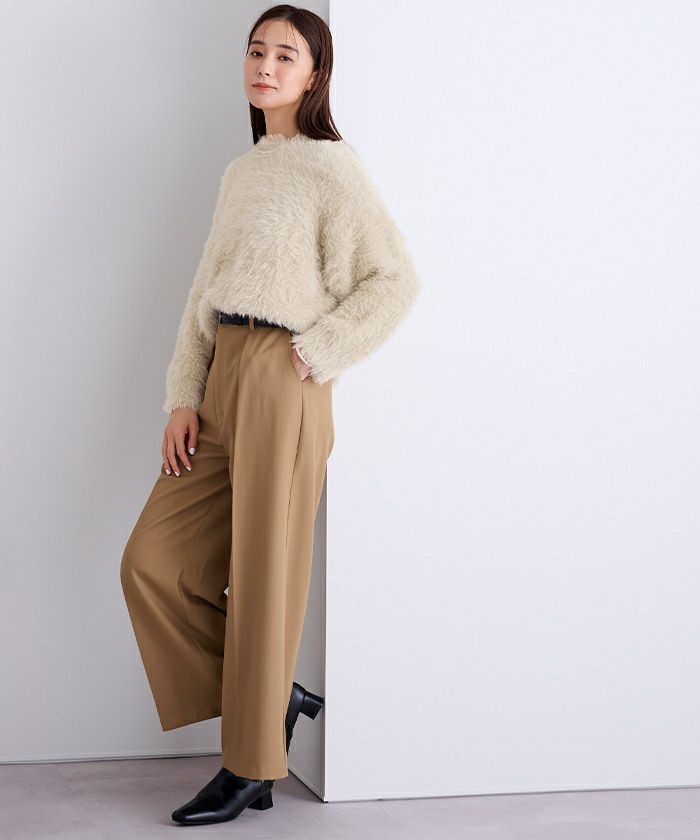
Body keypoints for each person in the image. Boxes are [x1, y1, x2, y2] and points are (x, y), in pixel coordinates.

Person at [120, 3, 421, 827]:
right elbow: (203, 291)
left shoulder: (332, 167)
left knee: (263, 576)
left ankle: (250, 767)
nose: (265, 66)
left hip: (288, 375)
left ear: (315, 75)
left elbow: (394, 279)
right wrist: (184, 396)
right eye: (257, 51)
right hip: (224, 372)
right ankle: (274, 697)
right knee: (152, 564)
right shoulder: (242, 171)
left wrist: (316, 353)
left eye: (286, 55)